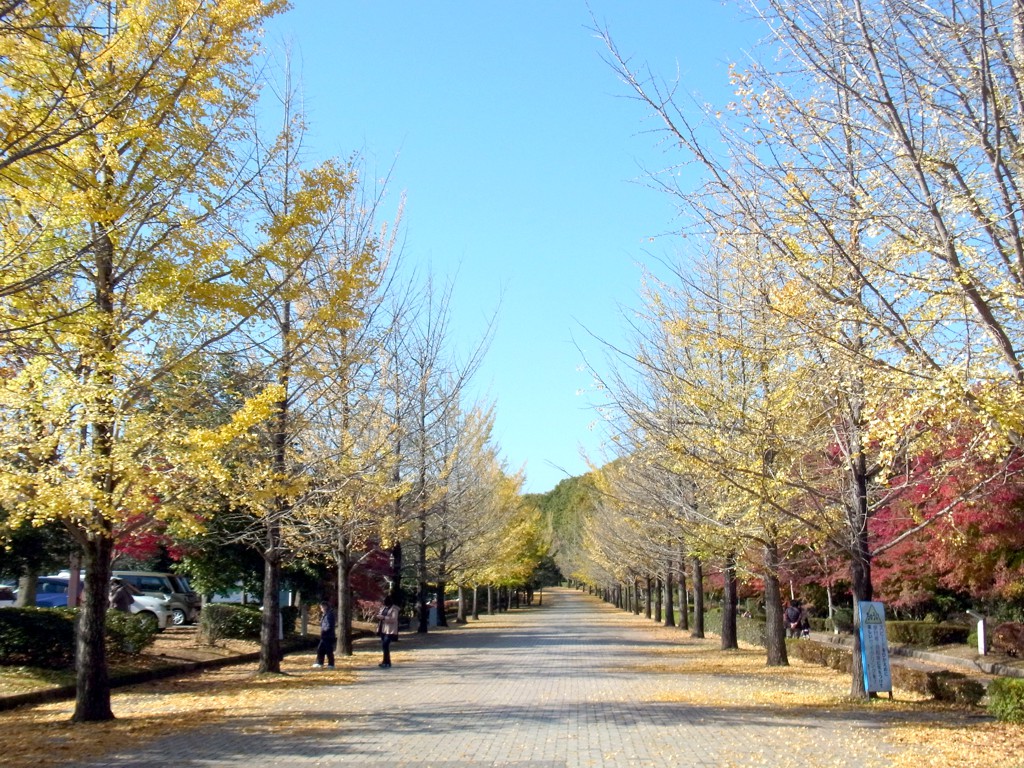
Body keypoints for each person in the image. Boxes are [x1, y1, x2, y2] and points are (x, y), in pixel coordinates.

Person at [376, 595, 399, 668]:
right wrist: (379, 616)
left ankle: (387, 662)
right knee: (384, 646)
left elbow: (394, 619)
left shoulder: (394, 609)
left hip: (390, 630)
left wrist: (384, 618)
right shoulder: (383, 608)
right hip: (382, 629)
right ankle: (385, 661)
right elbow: (380, 614)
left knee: (385, 645)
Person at [313, 601, 336, 669]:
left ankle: (330, 664)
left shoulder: (329, 615)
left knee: (327, 650)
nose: (321, 609)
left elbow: (329, 625)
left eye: (322, 607)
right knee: (321, 649)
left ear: (325, 607)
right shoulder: (326, 614)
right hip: (325, 636)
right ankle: (320, 662)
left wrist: (324, 631)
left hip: (327, 636)